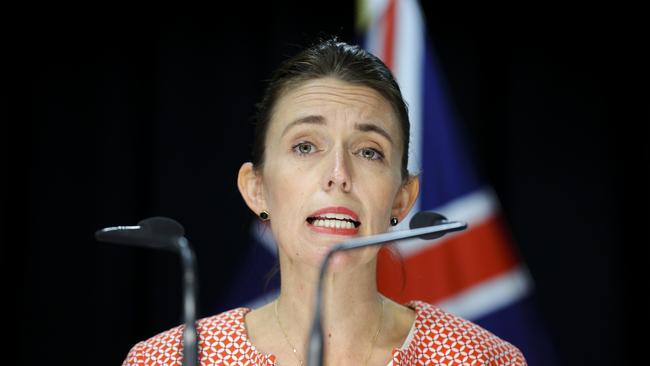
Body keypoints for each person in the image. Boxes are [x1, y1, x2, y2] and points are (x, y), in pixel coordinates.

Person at [122, 38, 527, 366]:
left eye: (369, 151)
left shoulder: (481, 359)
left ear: (402, 199)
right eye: (305, 146)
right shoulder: (166, 360)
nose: (339, 174)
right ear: (256, 188)